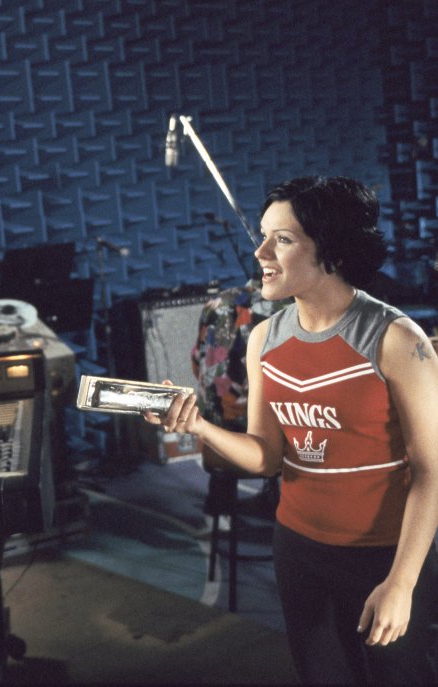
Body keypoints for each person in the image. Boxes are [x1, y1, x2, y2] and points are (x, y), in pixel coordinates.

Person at [146, 176, 438, 684]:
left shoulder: (395, 339)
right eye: (263, 236)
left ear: (332, 250)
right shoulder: (264, 340)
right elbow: (266, 456)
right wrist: (200, 426)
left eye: (281, 239)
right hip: (299, 549)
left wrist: (402, 582)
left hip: (384, 554)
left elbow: (431, 472)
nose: (260, 252)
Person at [191, 280, 284, 519]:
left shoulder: (216, 303)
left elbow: (197, 361)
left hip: (217, 436)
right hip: (265, 439)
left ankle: (219, 510)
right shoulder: (289, 308)